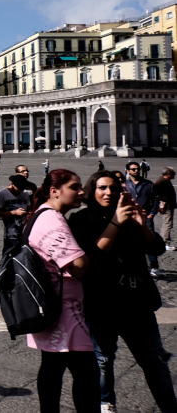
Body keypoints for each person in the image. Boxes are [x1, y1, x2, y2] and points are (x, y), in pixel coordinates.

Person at [69, 171, 177, 413]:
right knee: (103, 361)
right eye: (102, 187)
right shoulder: (81, 219)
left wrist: (141, 226)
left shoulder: (130, 217)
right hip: (101, 304)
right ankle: (107, 403)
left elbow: (157, 248)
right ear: (92, 191)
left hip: (137, 303)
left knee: (154, 362)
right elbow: (91, 258)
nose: (108, 192)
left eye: (114, 188)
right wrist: (116, 222)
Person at [27, 169, 97, 413]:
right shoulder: (52, 220)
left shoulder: (40, 214)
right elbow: (79, 267)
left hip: (50, 305)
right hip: (64, 312)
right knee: (87, 374)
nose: (81, 192)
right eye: (74, 187)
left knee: (52, 367)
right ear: (55, 191)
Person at [126, 161, 158, 275]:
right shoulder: (125, 185)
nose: (136, 171)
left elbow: (155, 199)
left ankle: (154, 266)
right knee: (131, 242)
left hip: (146, 217)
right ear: (128, 171)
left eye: (138, 169)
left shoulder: (148, 184)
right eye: (133, 169)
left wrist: (152, 213)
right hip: (130, 218)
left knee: (150, 242)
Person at [0, 174, 31, 259]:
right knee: (9, 253)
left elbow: (29, 208)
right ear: (12, 184)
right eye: (19, 188)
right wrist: (15, 213)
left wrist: (28, 214)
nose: (21, 191)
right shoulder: (2, 194)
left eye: (22, 188)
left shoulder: (25, 194)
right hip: (10, 232)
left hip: (24, 230)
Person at [154, 167, 177, 253]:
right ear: (168, 173)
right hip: (166, 206)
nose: (175, 174)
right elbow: (154, 191)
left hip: (168, 206)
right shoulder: (161, 182)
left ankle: (163, 241)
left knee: (166, 223)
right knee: (167, 224)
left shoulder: (165, 180)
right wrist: (161, 202)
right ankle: (165, 243)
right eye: (173, 173)